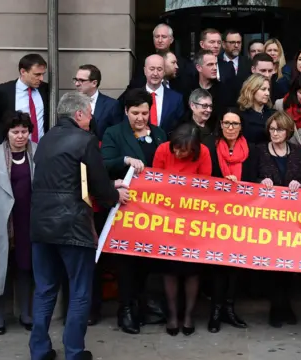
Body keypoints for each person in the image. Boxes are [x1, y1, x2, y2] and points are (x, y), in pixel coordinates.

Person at [29, 91, 129, 360]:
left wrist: (109, 186)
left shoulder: (45, 140)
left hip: (40, 225)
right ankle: (74, 351)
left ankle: (38, 351)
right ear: (79, 114)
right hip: (73, 226)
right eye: (89, 115)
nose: (91, 120)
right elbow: (99, 186)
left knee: (45, 289)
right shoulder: (85, 141)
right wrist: (114, 193)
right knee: (80, 290)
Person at [101, 89, 168, 334]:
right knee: (127, 260)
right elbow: (104, 162)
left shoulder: (159, 134)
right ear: (125, 112)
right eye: (135, 113)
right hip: (127, 207)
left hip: (154, 210)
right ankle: (126, 309)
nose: (140, 118)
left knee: (147, 259)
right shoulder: (114, 132)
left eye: (144, 112)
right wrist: (126, 160)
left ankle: (143, 305)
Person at [152, 123, 212, 337]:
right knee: (169, 269)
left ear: (194, 149)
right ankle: (172, 315)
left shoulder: (204, 153)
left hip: (192, 220)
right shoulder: (163, 150)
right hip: (167, 220)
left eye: (183, 150)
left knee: (192, 271)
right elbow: (154, 183)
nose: (177, 152)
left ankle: (188, 315)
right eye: (175, 148)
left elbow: (206, 186)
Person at [203, 109, 258, 333]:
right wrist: (222, 182)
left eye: (235, 124)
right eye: (227, 123)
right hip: (217, 213)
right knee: (218, 265)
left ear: (241, 126)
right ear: (220, 125)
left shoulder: (252, 150)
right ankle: (215, 311)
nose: (231, 127)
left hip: (243, 214)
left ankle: (229, 308)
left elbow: (254, 178)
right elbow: (202, 178)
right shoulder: (209, 145)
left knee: (235, 264)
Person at [256, 111, 301, 328]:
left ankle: (286, 306)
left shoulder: (296, 152)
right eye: (271, 128)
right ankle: (276, 309)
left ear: (288, 132)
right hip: (268, 219)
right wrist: (261, 180)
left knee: (289, 265)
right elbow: (251, 177)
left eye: (279, 129)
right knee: (272, 265)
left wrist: (300, 183)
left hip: (292, 218)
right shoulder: (259, 151)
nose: (274, 133)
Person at [0, 112, 36, 336]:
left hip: (28, 219)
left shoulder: (37, 153)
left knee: (26, 266)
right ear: (7, 133)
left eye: (24, 131)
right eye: (15, 132)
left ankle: (25, 313)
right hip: (1, 220)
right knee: (1, 269)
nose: (19, 136)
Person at [0, 54, 49, 141]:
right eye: (37, 74)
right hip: (12, 148)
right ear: (23, 72)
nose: (41, 78)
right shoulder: (2, 91)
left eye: (43, 74)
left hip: (42, 147)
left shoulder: (46, 89)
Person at [74, 64, 122, 139]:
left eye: (81, 80)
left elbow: (117, 135)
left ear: (94, 83)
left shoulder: (111, 105)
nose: (76, 84)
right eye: (76, 80)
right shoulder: (71, 103)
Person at [238, 73, 276, 145]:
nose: (267, 93)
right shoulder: (240, 115)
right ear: (252, 90)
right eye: (263, 89)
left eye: (268, 89)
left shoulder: (274, 115)